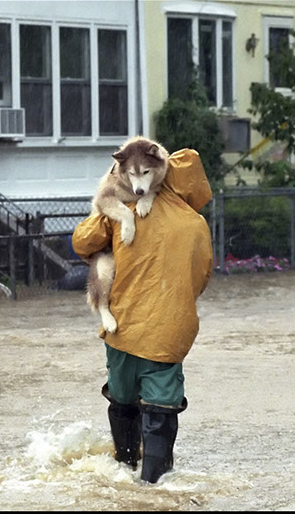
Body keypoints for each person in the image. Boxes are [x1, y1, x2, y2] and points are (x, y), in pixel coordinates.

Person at [71, 148, 214, 483]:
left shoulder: (125, 209)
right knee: (161, 405)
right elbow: (202, 276)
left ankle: (123, 470)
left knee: (123, 399)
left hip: (122, 329)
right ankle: (155, 483)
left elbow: (82, 242)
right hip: (170, 330)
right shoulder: (196, 224)